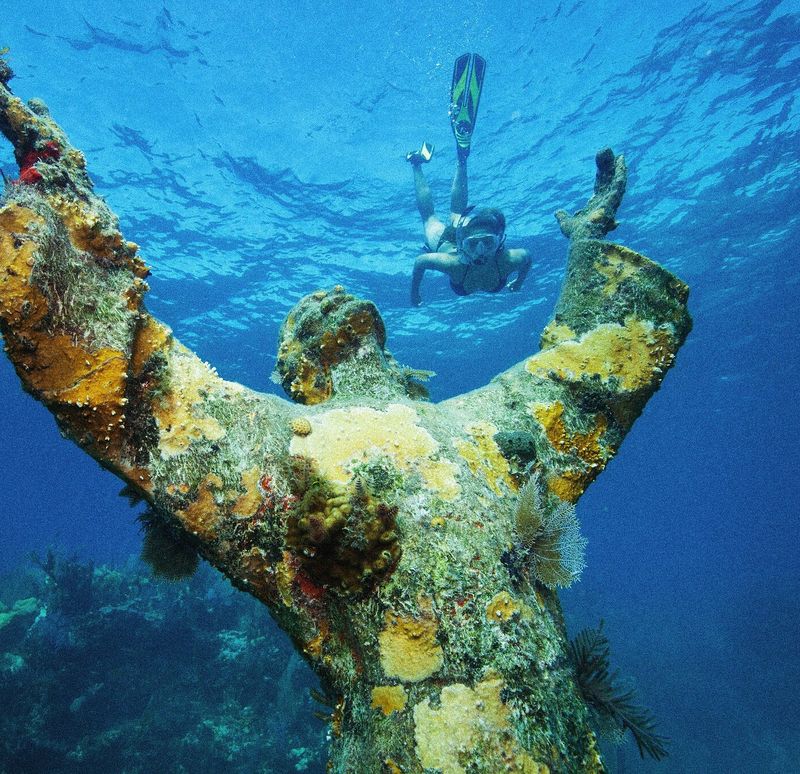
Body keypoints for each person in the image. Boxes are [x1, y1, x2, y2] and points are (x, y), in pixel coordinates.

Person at [407, 53, 531, 306]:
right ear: (464, 244)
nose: (481, 252)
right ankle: (421, 163)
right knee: (433, 217)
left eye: (487, 243)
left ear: (499, 242)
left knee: (448, 215)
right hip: (450, 242)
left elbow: (527, 259)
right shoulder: (462, 262)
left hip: (461, 234)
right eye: (476, 245)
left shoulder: (504, 259)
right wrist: (414, 293)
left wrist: (519, 281)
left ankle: (453, 159)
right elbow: (420, 262)